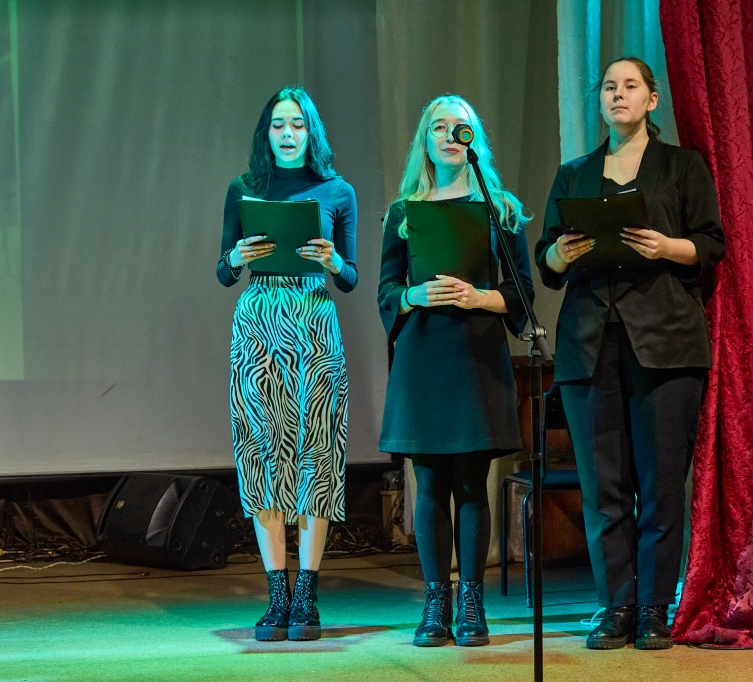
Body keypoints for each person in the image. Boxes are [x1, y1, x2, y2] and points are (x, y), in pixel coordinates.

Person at [535, 57, 725, 651]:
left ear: (652, 99)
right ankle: (614, 604)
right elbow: (546, 259)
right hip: (589, 342)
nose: (618, 95)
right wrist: (561, 254)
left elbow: (711, 243)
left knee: (661, 483)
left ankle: (653, 607)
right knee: (603, 487)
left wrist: (667, 246)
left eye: (630, 86)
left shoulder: (682, 167)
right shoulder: (574, 174)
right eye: (610, 87)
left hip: (666, 342)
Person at [378, 94, 534, 647]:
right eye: (438, 127)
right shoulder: (403, 213)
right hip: (423, 358)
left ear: (474, 140)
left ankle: (471, 602)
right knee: (429, 483)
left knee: (471, 482)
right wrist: (414, 295)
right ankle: (434, 603)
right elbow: (386, 291)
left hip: (475, 356)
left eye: (459, 128)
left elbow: (521, 293)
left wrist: (479, 297)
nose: (448, 136)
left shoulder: (499, 208)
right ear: (425, 140)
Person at [216, 85, 357, 642]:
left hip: (313, 320)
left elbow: (350, 278)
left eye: (297, 124)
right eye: (278, 124)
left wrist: (334, 259)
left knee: (317, 452)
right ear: (266, 132)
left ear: (311, 131)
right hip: (259, 323)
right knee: (262, 452)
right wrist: (236, 256)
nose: (288, 134)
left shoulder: (337, 190)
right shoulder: (244, 187)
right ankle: (277, 593)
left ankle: (307, 594)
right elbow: (224, 271)